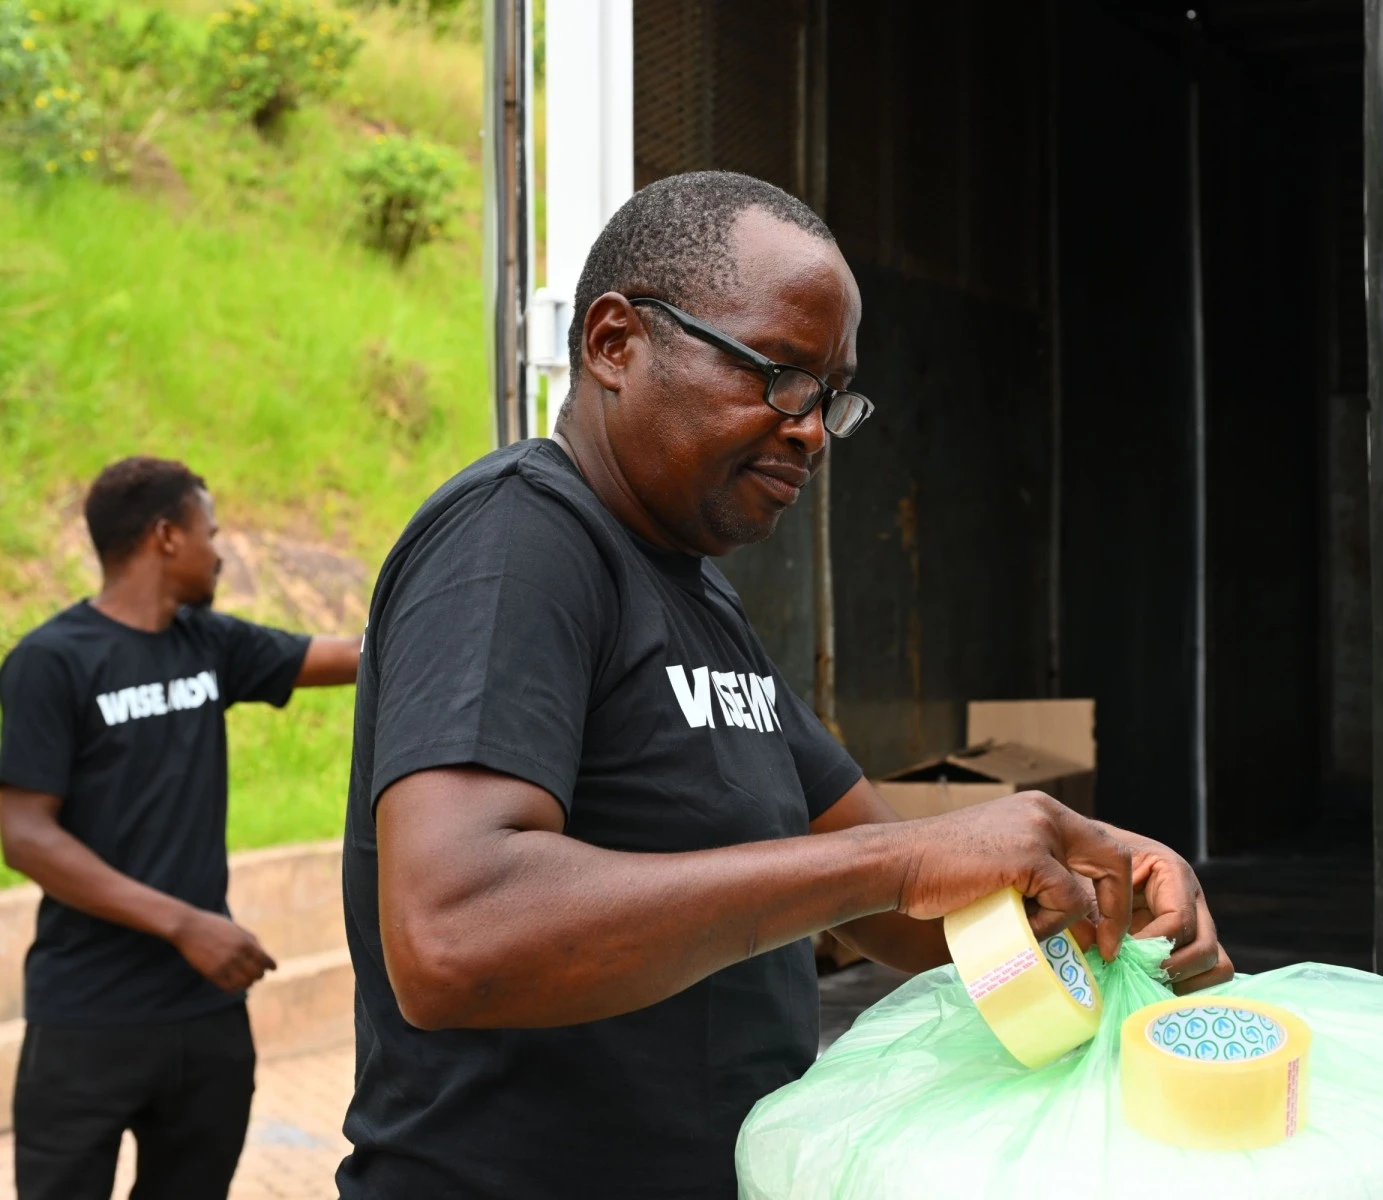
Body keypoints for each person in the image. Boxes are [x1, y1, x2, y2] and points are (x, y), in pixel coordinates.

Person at [338, 170, 1234, 1198]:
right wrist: (901, 861)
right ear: (615, 343)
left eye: (830, 396)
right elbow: (455, 936)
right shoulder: (515, 542)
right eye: (779, 375)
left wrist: (1091, 881)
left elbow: (900, 917)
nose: (811, 429)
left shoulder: (698, 599)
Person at [0, 456, 361, 1200]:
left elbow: (354, 656)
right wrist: (184, 925)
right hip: (86, 1021)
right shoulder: (50, 661)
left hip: (205, 1018)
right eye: (211, 532)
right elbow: (25, 834)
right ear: (166, 536)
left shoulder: (209, 644)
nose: (220, 551)